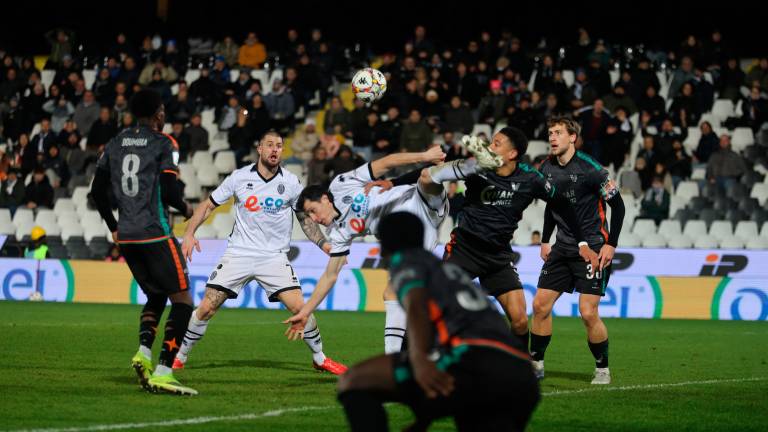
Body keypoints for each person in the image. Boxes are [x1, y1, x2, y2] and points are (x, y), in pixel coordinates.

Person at [337, 212, 540, 432]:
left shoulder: (406, 260)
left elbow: (417, 305)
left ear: (387, 242)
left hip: (475, 362)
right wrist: (423, 419)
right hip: (521, 374)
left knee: (353, 380)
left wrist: (419, 360)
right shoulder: (447, 270)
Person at [174, 131, 347, 375]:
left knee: (301, 308)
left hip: (273, 257)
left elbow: (304, 219)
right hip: (238, 254)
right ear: (259, 148)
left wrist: (325, 244)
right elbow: (208, 205)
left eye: (279, 146)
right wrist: (190, 232)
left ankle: (320, 358)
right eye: (270, 145)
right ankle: (179, 356)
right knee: (206, 308)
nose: (275, 150)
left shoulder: (291, 182)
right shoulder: (239, 177)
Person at [420, 127, 598, 350]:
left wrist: (582, 243)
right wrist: (395, 181)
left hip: (498, 256)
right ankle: (411, 357)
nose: (490, 147)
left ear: (512, 154)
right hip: (464, 249)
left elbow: (562, 204)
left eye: (497, 144)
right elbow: (431, 175)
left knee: (520, 321)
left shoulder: (531, 178)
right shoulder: (476, 167)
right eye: (491, 143)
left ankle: (521, 366)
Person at [285, 145, 448, 353]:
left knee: (428, 175)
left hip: (418, 201)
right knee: (395, 294)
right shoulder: (338, 233)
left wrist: (424, 155)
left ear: (325, 198)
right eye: (310, 217)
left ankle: (472, 164)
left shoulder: (341, 184)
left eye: (313, 211)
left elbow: (386, 163)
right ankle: (411, 353)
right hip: (411, 235)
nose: (315, 219)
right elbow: (330, 276)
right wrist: (306, 311)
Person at [89, 89, 197, 395]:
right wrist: (189, 209)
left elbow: (97, 192)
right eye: (163, 111)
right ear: (159, 113)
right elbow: (170, 191)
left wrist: (114, 227)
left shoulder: (114, 142)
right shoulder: (165, 143)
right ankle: (164, 370)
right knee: (183, 302)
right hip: (157, 233)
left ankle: (144, 354)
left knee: (156, 296)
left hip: (127, 237)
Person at [531, 116, 626, 385]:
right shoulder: (545, 168)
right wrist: (545, 239)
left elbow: (618, 206)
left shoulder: (592, 169)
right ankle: (536, 364)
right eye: (550, 133)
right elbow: (552, 205)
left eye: (558, 133)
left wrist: (612, 244)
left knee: (587, 312)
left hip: (594, 248)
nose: (552, 137)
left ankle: (602, 369)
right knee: (539, 306)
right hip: (562, 247)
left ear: (572, 137)